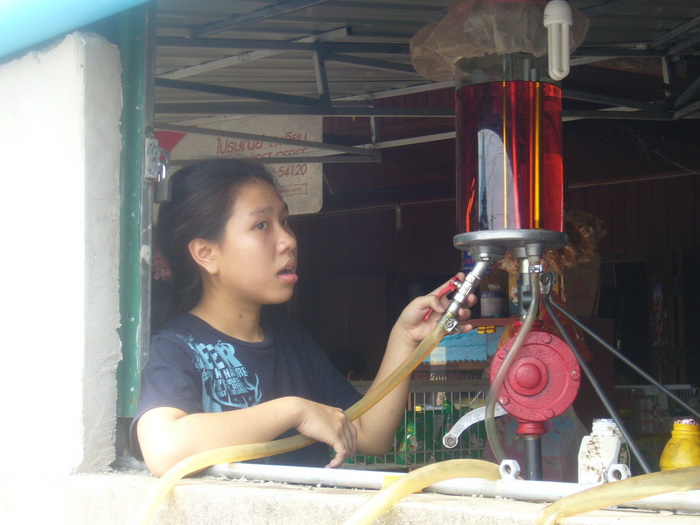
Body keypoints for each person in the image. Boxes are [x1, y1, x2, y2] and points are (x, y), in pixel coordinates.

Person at [132, 157, 475, 477]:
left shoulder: (289, 339)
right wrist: (294, 411)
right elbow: (164, 448)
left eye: (284, 222)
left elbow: (369, 435)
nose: (287, 241)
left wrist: (405, 339)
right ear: (206, 253)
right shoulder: (175, 345)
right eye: (261, 225)